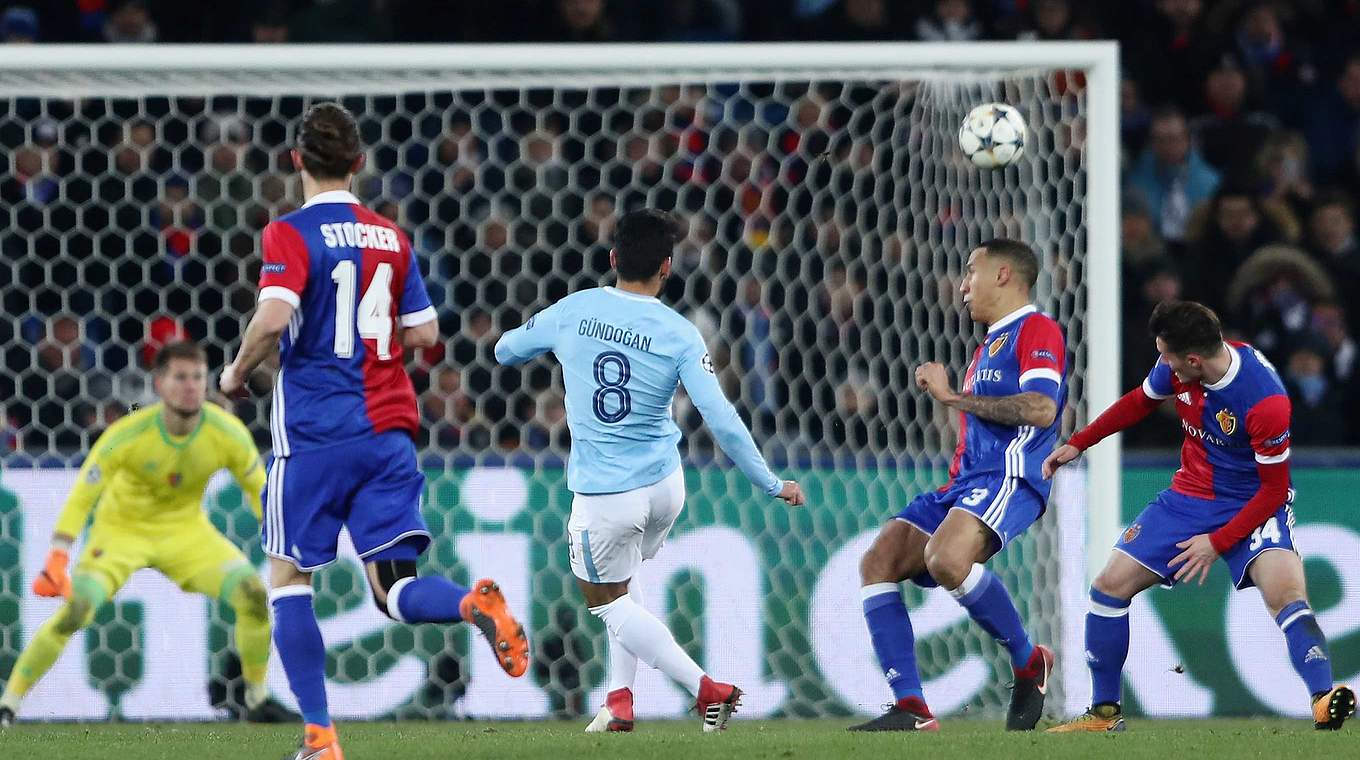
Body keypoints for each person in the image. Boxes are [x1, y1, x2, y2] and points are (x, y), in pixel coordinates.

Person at [220, 102, 527, 760]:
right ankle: (472, 606)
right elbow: (425, 333)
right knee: (393, 589)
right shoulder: (391, 237)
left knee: (289, 578)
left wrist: (237, 370)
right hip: (388, 432)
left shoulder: (288, 234)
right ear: (360, 164)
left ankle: (321, 736)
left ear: (297, 160)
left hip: (315, 433)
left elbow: (273, 318)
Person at [494, 208, 805, 733]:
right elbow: (722, 420)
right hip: (665, 485)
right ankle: (619, 700)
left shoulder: (575, 309)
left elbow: (505, 351)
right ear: (667, 268)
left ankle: (708, 690)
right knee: (624, 582)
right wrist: (771, 483)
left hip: (606, 492)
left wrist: (558, 345)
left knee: (604, 602)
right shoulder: (680, 332)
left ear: (612, 258)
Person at [1045, 300, 1355, 732]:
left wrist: (1218, 542)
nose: (1161, 361)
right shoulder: (1179, 369)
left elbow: (1273, 490)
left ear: (1193, 359)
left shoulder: (1264, 401)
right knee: (1108, 588)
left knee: (1286, 594)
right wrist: (1080, 442)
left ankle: (1323, 701)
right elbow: (1140, 401)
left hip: (1252, 502)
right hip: (1189, 497)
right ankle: (1104, 714)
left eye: (1166, 354)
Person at [0, 341, 294, 727]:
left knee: (253, 594)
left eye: (197, 377)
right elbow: (82, 496)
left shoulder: (225, 432)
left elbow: (260, 494)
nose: (190, 386)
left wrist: (285, 546)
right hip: (120, 535)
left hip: (186, 533)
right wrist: (58, 555)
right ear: (159, 384)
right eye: (180, 377)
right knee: (76, 609)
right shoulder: (130, 432)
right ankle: (9, 705)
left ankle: (255, 701)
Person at [851, 239, 1064, 732]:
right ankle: (911, 707)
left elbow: (1042, 408)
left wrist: (953, 397)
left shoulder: (1037, 329)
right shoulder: (989, 343)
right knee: (877, 562)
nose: (963, 285)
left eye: (972, 272)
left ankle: (1029, 659)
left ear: (1005, 275)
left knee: (947, 559)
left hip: (1010, 475)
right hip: (966, 482)